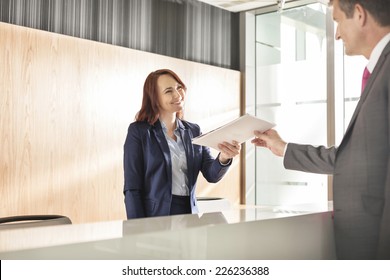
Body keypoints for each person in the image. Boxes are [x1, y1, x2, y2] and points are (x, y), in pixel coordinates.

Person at [251, 0, 390, 260]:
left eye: (337, 20)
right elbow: (355, 159)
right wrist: (284, 148)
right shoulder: (378, 70)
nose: (336, 33)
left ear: (359, 14)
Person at [123, 69, 240, 219]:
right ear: (155, 98)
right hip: (156, 217)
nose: (178, 95)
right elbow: (132, 188)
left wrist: (224, 157)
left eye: (179, 88)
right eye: (168, 91)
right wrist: (136, 229)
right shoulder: (139, 132)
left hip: (190, 213)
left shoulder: (193, 130)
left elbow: (211, 174)